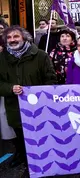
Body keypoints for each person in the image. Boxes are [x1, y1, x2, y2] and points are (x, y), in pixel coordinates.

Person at [0, 26, 56, 168]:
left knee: (39, 132)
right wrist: (10, 88)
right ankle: (22, 155)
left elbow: (51, 79)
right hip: (14, 105)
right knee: (19, 134)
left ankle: (42, 157)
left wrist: (41, 94)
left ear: (24, 38)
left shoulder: (41, 56)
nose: (12, 40)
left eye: (16, 36)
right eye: (9, 37)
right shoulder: (2, 58)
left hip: (38, 105)